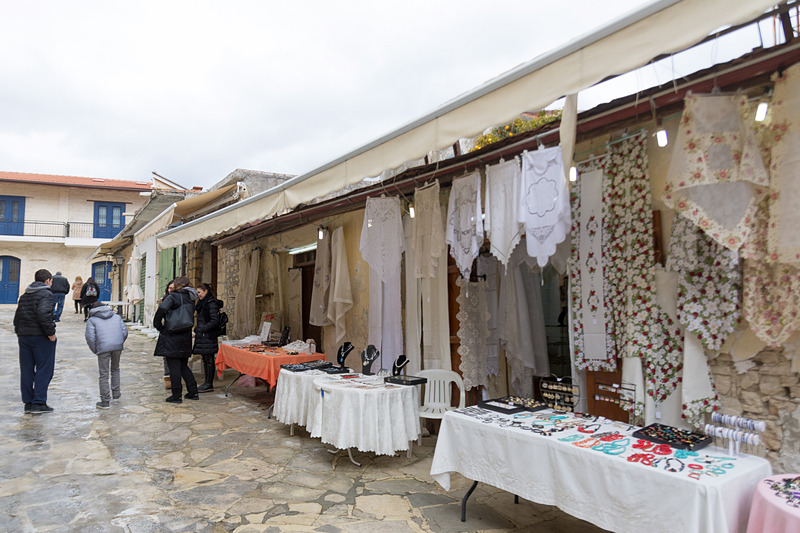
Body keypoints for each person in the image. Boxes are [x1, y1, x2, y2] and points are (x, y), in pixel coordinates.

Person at [13, 269, 57, 414]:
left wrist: (19, 331)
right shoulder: (46, 294)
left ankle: (28, 402)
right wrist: (51, 333)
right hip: (40, 336)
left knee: (26, 369)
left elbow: (17, 316)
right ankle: (39, 402)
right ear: (47, 281)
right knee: (44, 368)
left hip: (24, 335)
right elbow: (44, 314)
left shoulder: (25, 295)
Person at [153, 276, 199, 403]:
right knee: (183, 365)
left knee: (173, 366)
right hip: (185, 335)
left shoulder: (173, 297)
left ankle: (176, 395)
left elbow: (162, 309)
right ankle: (193, 392)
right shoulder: (191, 298)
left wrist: (158, 326)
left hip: (172, 334)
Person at [85, 301, 128, 409]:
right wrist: (119, 342)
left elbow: (90, 338)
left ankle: (105, 401)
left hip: (103, 348)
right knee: (115, 369)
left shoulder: (92, 320)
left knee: (104, 374)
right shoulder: (116, 317)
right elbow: (124, 331)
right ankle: (116, 394)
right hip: (117, 346)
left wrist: (96, 349)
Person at [193, 283, 223, 393]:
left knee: (209, 360)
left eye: (199, 292)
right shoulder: (202, 303)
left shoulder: (211, 303)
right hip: (203, 336)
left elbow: (214, 321)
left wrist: (202, 329)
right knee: (205, 359)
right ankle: (206, 383)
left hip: (208, 336)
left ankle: (209, 384)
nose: (198, 295)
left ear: (206, 291)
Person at [158, 280, 176, 389]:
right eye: (169, 288)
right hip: (167, 330)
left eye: (172, 288)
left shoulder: (180, 300)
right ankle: (167, 377)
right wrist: (161, 328)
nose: (170, 290)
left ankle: (175, 377)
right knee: (166, 355)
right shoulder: (165, 300)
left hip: (176, 330)